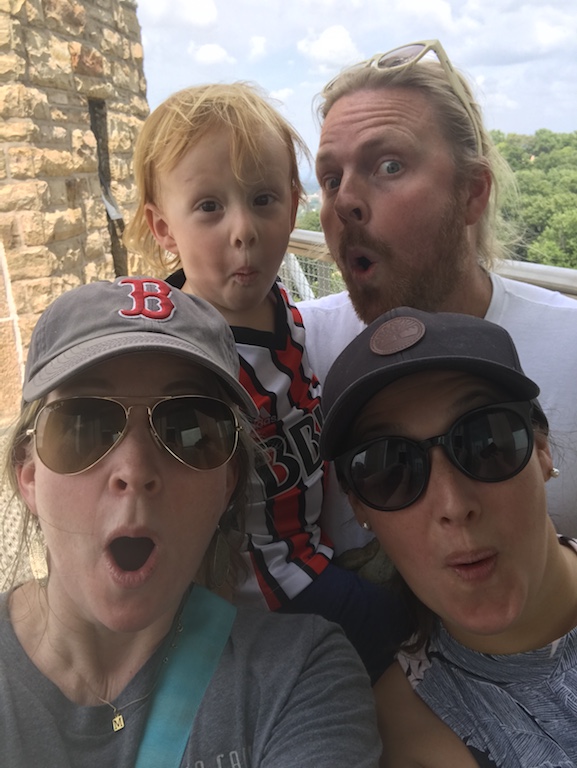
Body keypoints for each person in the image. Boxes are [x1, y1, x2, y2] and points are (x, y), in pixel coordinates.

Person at [0, 276, 382, 766]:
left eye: (188, 430)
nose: (134, 472)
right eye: (85, 426)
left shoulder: (299, 677)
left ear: (227, 486)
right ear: (29, 476)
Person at [123, 82, 409, 683]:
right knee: (404, 629)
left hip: (313, 555)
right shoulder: (188, 363)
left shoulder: (284, 312)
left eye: (262, 199)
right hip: (265, 592)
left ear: (293, 203)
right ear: (163, 228)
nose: (243, 230)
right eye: (208, 207)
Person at [298, 39, 577, 549]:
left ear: (472, 192)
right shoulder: (295, 351)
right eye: (331, 178)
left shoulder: (571, 347)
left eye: (389, 166)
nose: (345, 203)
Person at [320, 305, 577, 768]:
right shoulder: (400, 736)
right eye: (389, 468)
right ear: (359, 506)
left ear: (540, 451)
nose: (454, 506)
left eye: (487, 442)